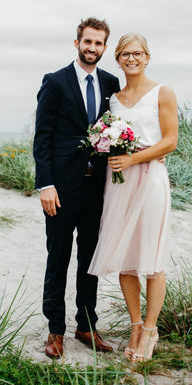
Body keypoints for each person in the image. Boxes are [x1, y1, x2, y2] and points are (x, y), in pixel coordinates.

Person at [33, 18, 120, 359]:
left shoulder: (111, 83)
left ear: (104, 47)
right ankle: (55, 330)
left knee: (90, 259)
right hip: (61, 189)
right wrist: (46, 184)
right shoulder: (55, 82)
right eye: (88, 42)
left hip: (97, 188)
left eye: (99, 44)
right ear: (76, 43)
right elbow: (42, 138)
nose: (92, 48)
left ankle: (86, 326)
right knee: (58, 258)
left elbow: (118, 130)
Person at [88, 33, 178, 362]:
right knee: (126, 257)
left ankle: (152, 330)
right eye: (125, 53)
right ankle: (136, 325)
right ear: (118, 58)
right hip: (119, 181)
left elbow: (170, 141)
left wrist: (135, 158)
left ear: (147, 57)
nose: (131, 58)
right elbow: (103, 135)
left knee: (152, 258)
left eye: (137, 53)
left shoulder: (162, 92)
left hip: (150, 176)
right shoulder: (113, 98)